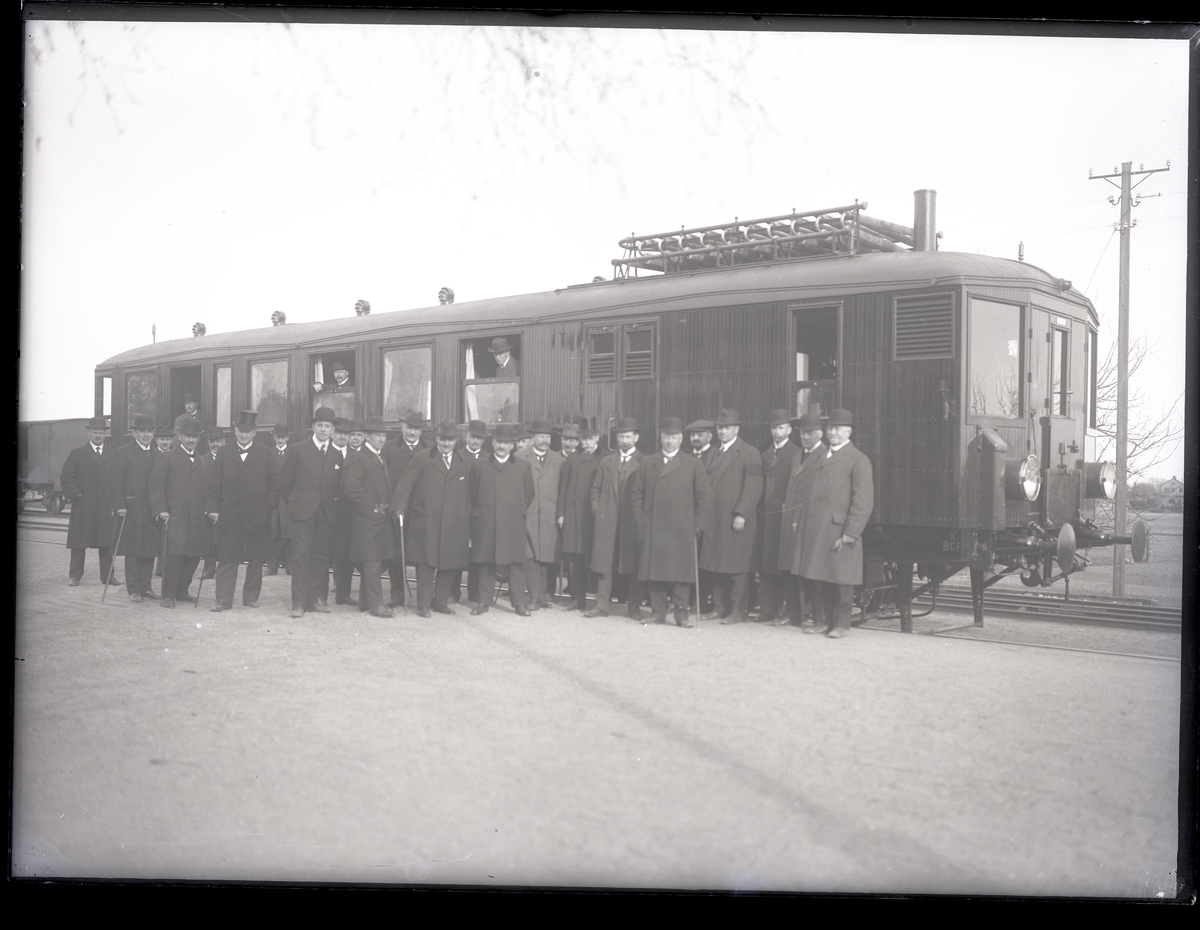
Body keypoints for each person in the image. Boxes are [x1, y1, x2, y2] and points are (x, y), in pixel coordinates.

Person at [792, 409, 874, 639]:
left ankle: (842, 625)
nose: (834, 432)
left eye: (839, 428)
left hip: (839, 530)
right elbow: (805, 492)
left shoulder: (858, 460)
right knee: (821, 579)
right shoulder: (820, 456)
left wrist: (851, 532)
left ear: (849, 432)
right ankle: (827, 622)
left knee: (842, 581)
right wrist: (799, 520)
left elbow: (863, 499)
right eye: (831, 428)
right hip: (817, 529)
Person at [630, 417, 713, 627]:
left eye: (674, 437)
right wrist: (641, 521)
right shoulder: (648, 462)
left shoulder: (693, 463)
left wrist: (699, 525)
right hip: (654, 525)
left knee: (681, 573)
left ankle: (681, 615)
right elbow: (637, 493)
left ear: (680, 438)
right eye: (666, 436)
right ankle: (658, 612)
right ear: (661, 437)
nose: (669, 441)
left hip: (681, 527)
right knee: (656, 571)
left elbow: (704, 496)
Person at [390, 420, 472, 617]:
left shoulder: (463, 463)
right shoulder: (422, 458)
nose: (446, 444)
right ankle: (423, 605)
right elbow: (405, 484)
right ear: (437, 439)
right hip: (426, 520)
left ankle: (440, 602)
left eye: (450, 440)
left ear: (456, 441)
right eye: (443, 440)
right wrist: (399, 507)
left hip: (453, 522)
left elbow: (469, 493)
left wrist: (466, 516)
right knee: (426, 563)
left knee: (449, 562)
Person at [206, 410, 280, 612]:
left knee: (256, 558)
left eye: (248, 431)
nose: (244, 435)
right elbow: (214, 484)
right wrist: (213, 509)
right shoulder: (223, 452)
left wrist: (267, 508)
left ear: (255, 432)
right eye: (241, 430)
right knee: (227, 557)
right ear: (234, 430)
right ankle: (223, 599)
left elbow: (275, 483)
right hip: (229, 515)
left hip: (258, 516)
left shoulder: (265, 453)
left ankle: (250, 597)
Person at [698, 409, 763, 625]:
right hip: (715, 519)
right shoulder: (712, 452)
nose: (723, 431)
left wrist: (741, 513)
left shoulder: (749, 452)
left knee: (738, 568)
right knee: (716, 565)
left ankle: (737, 611)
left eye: (727, 427)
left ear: (736, 429)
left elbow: (753, 486)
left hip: (735, 519)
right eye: (720, 427)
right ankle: (719, 607)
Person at [278, 406, 341, 618]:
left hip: (325, 513)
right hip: (302, 512)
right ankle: (299, 602)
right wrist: (296, 504)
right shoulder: (297, 449)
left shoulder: (336, 454)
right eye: (320, 425)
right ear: (313, 427)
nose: (323, 430)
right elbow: (284, 483)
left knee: (322, 557)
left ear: (333, 430)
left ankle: (317, 599)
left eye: (328, 426)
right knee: (300, 556)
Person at [468, 423, 535, 615]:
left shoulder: (522, 467)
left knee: (516, 563)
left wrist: (513, 511)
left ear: (512, 445)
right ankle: (483, 601)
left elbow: (529, 495)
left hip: (513, 522)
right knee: (486, 562)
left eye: (506, 443)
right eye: (499, 442)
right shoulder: (480, 465)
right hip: (487, 521)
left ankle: (519, 603)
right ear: (492, 442)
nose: (502, 446)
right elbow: (472, 494)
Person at [148, 416, 213, 609]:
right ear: (180, 436)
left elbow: (208, 489)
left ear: (198, 439)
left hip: (197, 518)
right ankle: (168, 595)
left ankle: (182, 590)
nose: (191, 440)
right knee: (175, 556)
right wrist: (161, 510)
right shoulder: (166, 457)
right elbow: (155, 485)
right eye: (187, 436)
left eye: (194, 437)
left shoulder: (202, 461)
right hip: (175, 516)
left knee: (193, 554)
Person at [584, 418, 645, 620]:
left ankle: (634, 607)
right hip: (607, 521)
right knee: (604, 563)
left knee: (633, 564)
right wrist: (598, 512)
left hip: (631, 522)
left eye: (628, 436)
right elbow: (596, 490)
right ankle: (601, 606)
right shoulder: (606, 462)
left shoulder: (644, 462)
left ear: (636, 437)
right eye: (621, 436)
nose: (624, 440)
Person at [343, 417, 398, 618]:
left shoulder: (377, 455)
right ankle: (376, 605)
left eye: (383, 435)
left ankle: (366, 602)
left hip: (378, 518)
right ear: (367, 436)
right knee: (372, 561)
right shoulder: (359, 457)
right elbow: (351, 488)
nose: (381, 439)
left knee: (372, 560)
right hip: (367, 519)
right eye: (377, 435)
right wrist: (371, 509)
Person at [107, 414, 161, 601]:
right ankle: (134, 590)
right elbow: (114, 482)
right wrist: (119, 505)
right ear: (134, 433)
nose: (146, 435)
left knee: (149, 550)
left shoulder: (158, 454)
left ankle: (146, 587)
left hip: (151, 511)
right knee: (132, 551)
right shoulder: (122, 452)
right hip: (131, 510)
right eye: (142, 431)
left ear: (153, 434)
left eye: (149, 431)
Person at [780, 413, 826, 629]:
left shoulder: (824, 456)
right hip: (791, 520)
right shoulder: (797, 456)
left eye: (810, 433)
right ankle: (795, 615)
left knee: (813, 572)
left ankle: (818, 619)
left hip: (808, 521)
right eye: (803, 433)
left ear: (820, 434)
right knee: (792, 570)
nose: (806, 437)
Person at [757, 409, 801, 626]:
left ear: (789, 430)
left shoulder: (796, 454)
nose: (777, 431)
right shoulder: (765, 455)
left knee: (783, 566)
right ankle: (767, 610)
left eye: (781, 427)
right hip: (767, 517)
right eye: (774, 428)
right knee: (767, 566)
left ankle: (785, 610)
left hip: (784, 516)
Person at [61, 416, 117, 586]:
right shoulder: (77, 453)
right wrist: (78, 496)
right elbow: (66, 478)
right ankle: (75, 576)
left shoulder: (113, 454)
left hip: (106, 508)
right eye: (94, 432)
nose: (98, 436)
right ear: (89, 433)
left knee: (107, 543)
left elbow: (118, 479)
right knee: (79, 542)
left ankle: (108, 576)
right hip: (83, 506)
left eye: (101, 432)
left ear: (105, 434)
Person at [382, 409, 427, 607]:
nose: (412, 432)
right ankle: (397, 594)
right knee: (396, 553)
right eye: (409, 428)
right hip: (397, 510)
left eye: (416, 429)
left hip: (421, 512)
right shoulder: (389, 448)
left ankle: (423, 597)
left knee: (420, 553)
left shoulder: (430, 449)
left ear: (422, 431)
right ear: (402, 427)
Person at [516, 419, 563, 610]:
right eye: (540, 436)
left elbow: (562, 489)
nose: (544, 440)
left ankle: (541, 597)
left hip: (549, 516)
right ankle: (534, 596)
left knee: (546, 556)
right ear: (532, 438)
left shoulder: (558, 459)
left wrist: (559, 514)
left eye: (547, 437)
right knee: (530, 557)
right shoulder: (520, 457)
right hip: (529, 514)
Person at [556, 424, 600, 611]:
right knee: (574, 558)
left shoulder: (604, 458)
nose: (587, 443)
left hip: (595, 515)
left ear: (597, 438)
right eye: (584, 439)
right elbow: (563, 489)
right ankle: (577, 597)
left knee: (597, 558)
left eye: (591, 439)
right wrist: (561, 513)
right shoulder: (573, 459)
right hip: (574, 515)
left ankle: (600, 599)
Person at [451, 419, 489, 603]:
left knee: (478, 552)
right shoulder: (457, 455)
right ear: (466, 436)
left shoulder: (488, 458)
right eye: (473, 437)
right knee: (457, 550)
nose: (475, 441)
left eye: (479, 438)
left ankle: (474, 592)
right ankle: (453, 591)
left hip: (480, 513)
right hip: (460, 511)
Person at [326, 419, 358, 605]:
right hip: (324, 509)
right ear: (332, 433)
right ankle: (318, 594)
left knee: (345, 553)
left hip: (346, 512)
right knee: (322, 552)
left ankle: (343, 593)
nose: (343, 436)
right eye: (339, 432)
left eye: (346, 433)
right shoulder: (323, 452)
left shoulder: (355, 455)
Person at [686, 418, 716, 613]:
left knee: (703, 563)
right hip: (685, 519)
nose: (695, 438)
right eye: (692, 435)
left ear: (709, 436)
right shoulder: (686, 456)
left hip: (706, 519)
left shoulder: (715, 456)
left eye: (699, 435)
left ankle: (701, 603)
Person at [267, 423, 292, 576]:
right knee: (272, 534)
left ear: (288, 438)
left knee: (289, 535)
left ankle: (290, 566)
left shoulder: (293, 452)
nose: (280, 440)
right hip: (273, 500)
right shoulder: (268, 453)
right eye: (278, 437)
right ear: (274, 437)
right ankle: (271, 567)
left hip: (288, 500)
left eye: (283, 437)